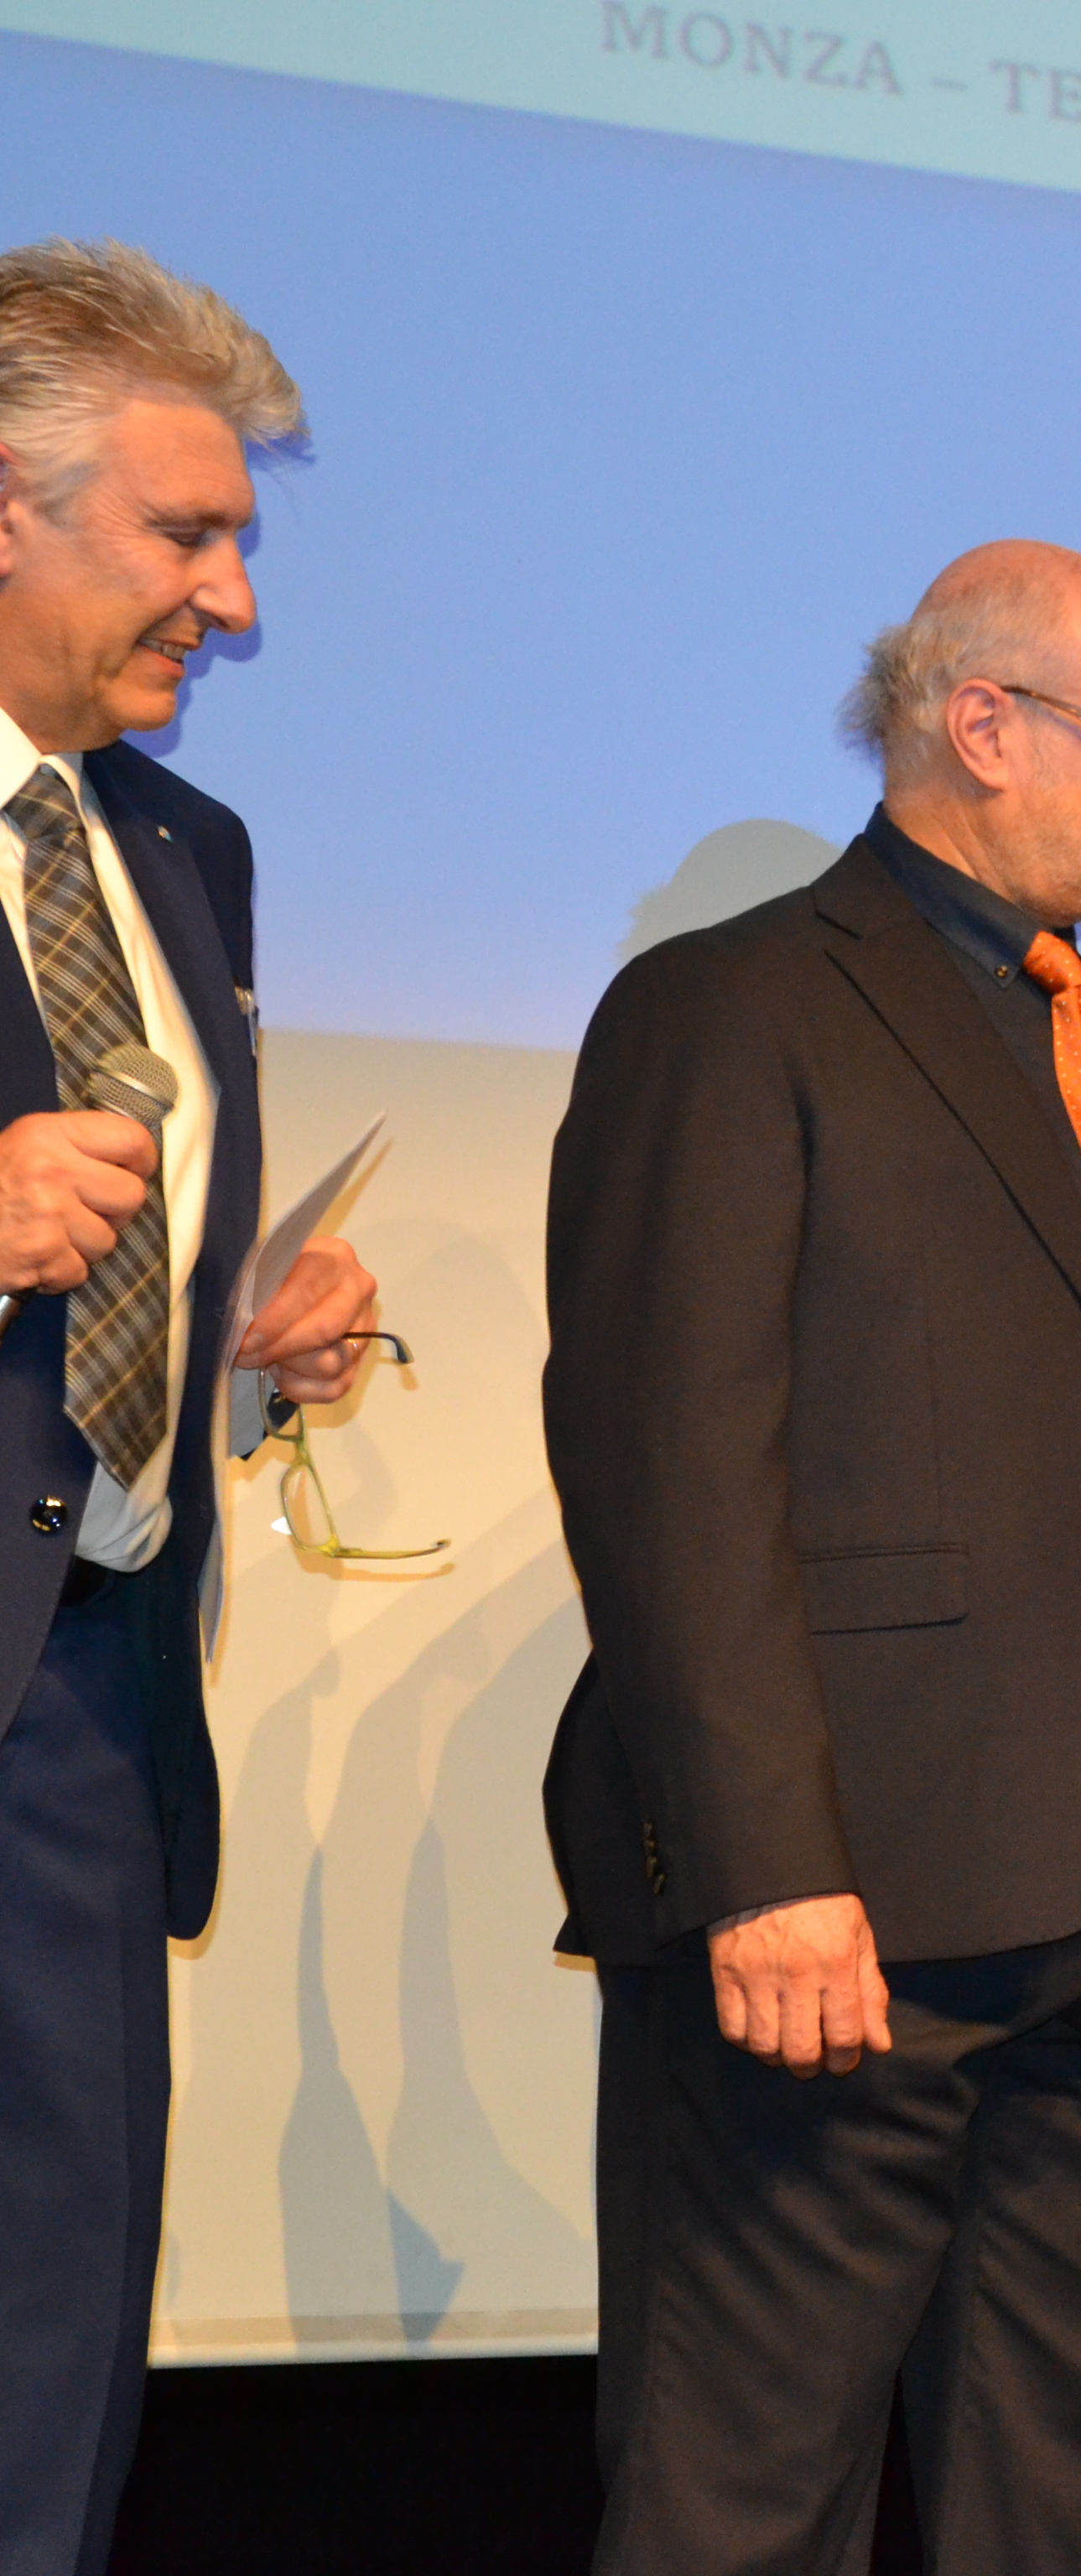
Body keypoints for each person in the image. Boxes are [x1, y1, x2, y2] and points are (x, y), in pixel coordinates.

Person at [539, 540, 1081, 2573]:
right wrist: (764, 1868)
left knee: (1066, 2498)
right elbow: (669, 1470)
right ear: (980, 725)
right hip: (851, 1902)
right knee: (747, 2501)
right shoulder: (732, 1008)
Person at [0, 239, 384, 2576]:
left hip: (87, 1702)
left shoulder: (179, 846)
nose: (231, 602)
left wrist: (229, 1351)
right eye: (187, 534)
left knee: (53, 2353)